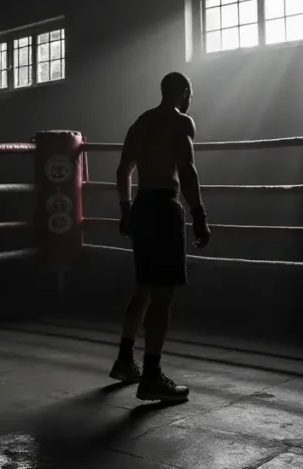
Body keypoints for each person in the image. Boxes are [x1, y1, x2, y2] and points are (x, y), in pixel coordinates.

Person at [109, 71, 211, 402]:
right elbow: (186, 169)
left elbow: (123, 170)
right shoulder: (181, 123)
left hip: (141, 207)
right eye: (189, 94)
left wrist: (126, 211)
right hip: (165, 208)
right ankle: (151, 376)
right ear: (181, 92)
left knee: (143, 289)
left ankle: (125, 361)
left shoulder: (140, 123)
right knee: (162, 295)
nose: (190, 100)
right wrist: (199, 214)